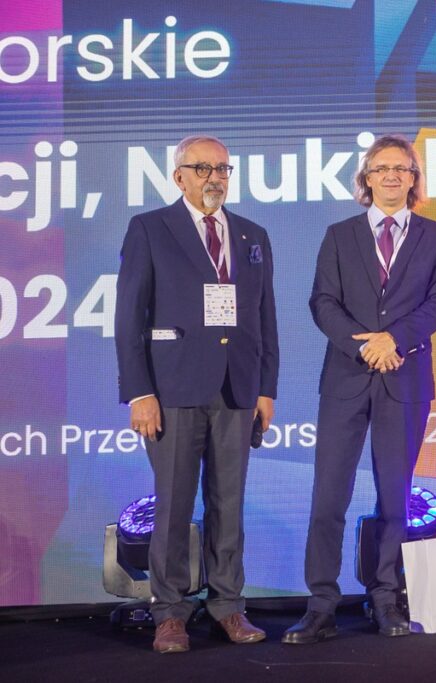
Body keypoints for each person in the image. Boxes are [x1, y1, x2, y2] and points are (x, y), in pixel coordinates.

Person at [283, 135, 436, 642]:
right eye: (381, 169)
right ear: (366, 179)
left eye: (401, 169)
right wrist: (365, 346)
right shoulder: (340, 235)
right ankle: (321, 603)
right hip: (346, 379)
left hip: (405, 379)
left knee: (394, 498)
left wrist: (393, 339)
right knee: (328, 494)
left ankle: (385, 598)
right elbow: (323, 302)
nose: (391, 177)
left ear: (413, 178)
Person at [114, 135, 279, 653]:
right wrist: (139, 390)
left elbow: (264, 319)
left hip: (237, 388)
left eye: (223, 169)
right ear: (178, 175)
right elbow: (128, 318)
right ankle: (169, 613)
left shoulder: (253, 234)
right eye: (203, 168)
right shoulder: (150, 229)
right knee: (174, 505)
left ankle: (229, 605)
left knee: (229, 505)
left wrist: (266, 389)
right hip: (172, 387)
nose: (215, 178)